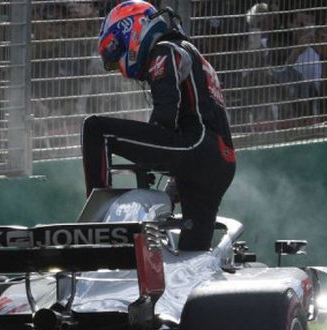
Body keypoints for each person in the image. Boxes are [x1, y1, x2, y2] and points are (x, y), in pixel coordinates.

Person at [81, 0, 236, 252]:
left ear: (133, 31)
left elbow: (166, 115)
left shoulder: (164, 49)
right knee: (191, 257)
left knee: (96, 129)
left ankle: (96, 221)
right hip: (221, 162)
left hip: (194, 148)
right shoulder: (193, 54)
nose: (119, 69)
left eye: (115, 56)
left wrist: (150, 152)